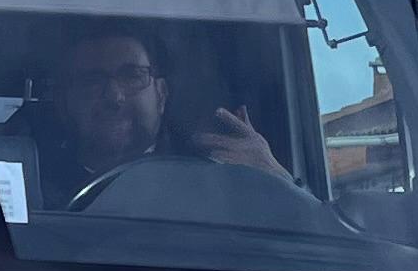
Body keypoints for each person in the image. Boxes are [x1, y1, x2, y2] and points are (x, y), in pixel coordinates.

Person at [19, 23, 289, 208]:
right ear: (63, 102)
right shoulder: (26, 186)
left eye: (132, 75)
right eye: (92, 81)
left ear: (161, 94)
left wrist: (276, 183)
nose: (114, 97)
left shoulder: (218, 176)